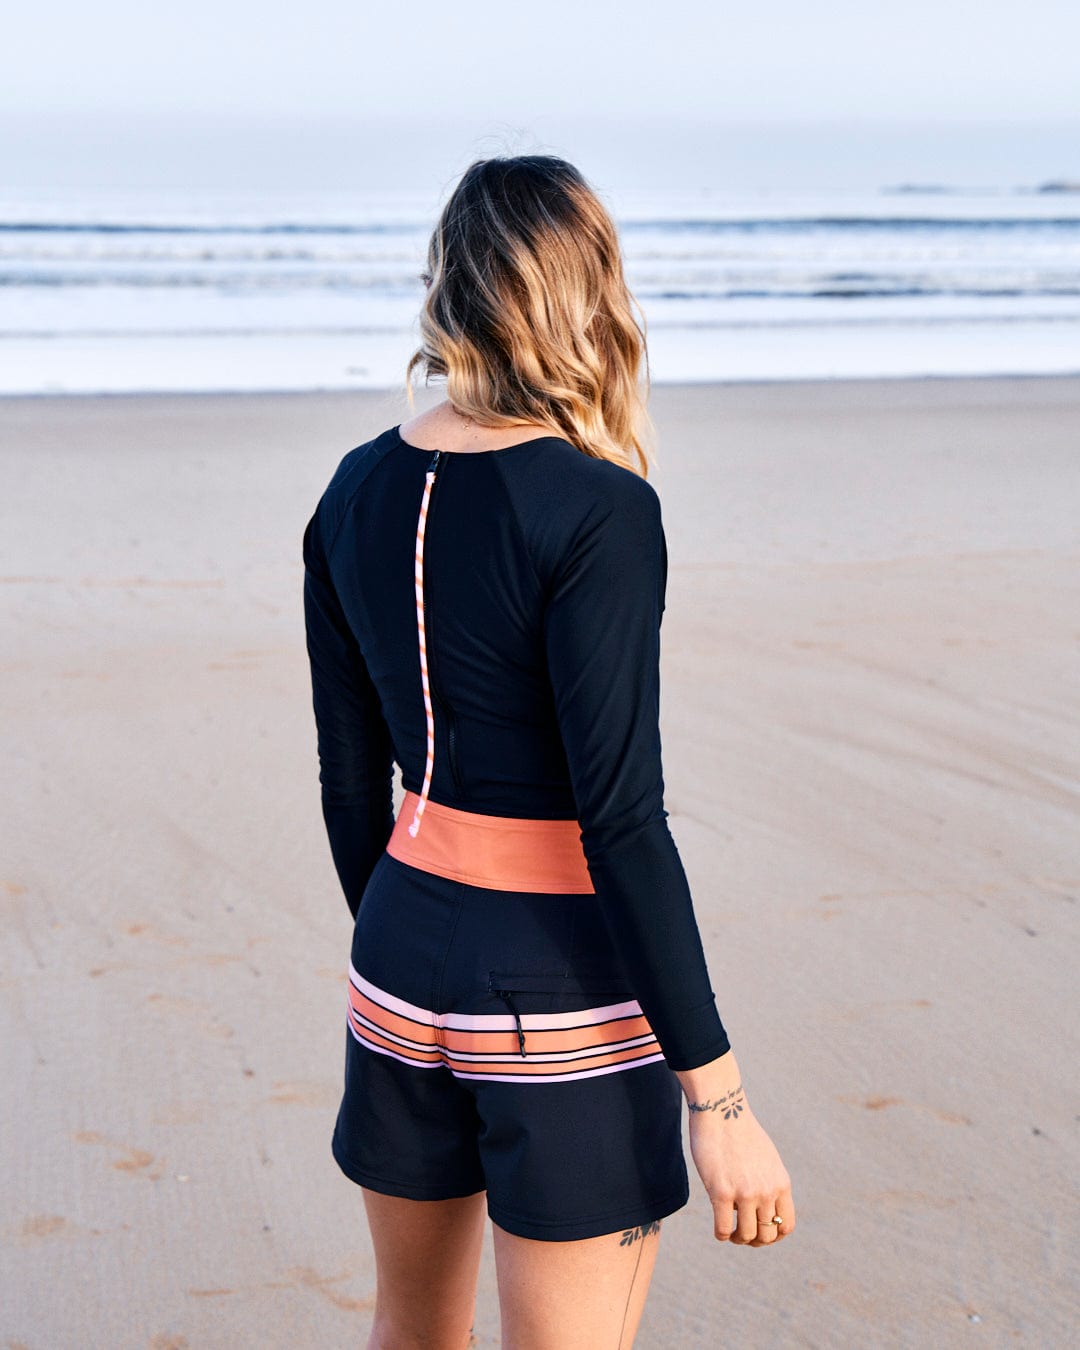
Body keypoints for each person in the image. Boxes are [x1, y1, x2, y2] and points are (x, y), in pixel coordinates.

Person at [303, 154, 796, 1350]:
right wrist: (718, 1098)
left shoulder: (354, 489)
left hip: (398, 958)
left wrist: (422, 947)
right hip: (559, 989)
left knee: (410, 1331)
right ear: (592, 294)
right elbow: (621, 821)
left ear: (450, 290)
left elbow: (346, 777)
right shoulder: (599, 510)